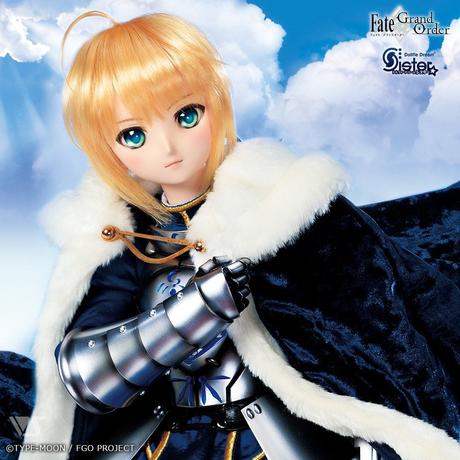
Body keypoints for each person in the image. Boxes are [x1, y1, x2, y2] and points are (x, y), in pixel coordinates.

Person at [20, 11, 460, 460]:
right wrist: (197, 309)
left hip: (270, 434)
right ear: (106, 147)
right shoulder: (122, 237)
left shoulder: (284, 202)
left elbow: (368, 329)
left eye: (186, 115)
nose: (168, 148)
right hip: (162, 434)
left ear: (216, 103)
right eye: (133, 135)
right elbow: (86, 374)